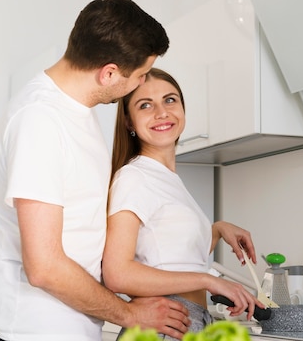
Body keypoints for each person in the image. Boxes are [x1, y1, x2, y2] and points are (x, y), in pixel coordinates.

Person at [0, 0, 192, 341]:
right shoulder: (40, 121)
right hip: (30, 330)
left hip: (61, 326)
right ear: (108, 73)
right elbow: (44, 268)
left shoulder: (76, 112)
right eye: (140, 75)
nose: (141, 82)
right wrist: (131, 314)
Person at [102, 68, 266, 340]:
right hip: (165, 325)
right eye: (145, 105)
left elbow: (170, 257)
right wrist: (209, 281)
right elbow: (117, 273)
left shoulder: (167, 179)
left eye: (170, 100)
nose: (162, 112)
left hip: (187, 323)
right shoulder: (134, 177)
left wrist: (216, 229)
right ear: (129, 122)